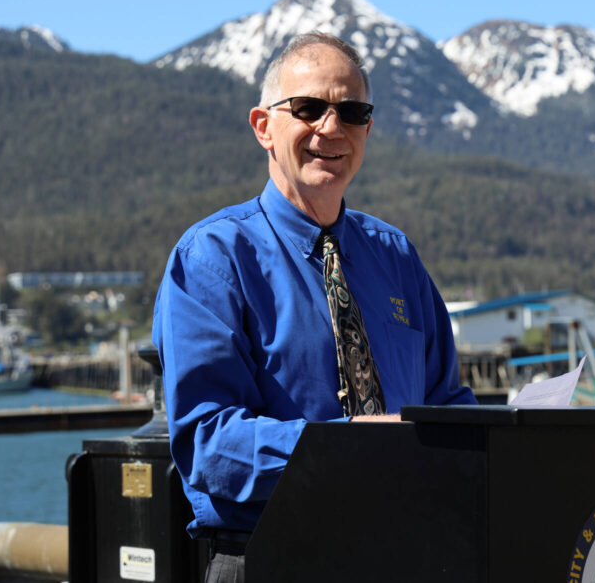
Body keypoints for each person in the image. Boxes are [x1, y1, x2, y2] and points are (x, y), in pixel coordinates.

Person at [153, 32, 476, 581]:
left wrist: (513, 436)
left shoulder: (397, 258)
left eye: (351, 111)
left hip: (407, 556)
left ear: (367, 129)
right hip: (270, 557)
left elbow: (448, 402)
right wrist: (349, 448)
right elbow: (208, 445)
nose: (332, 128)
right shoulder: (213, 258)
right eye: (308, 108)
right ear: (264, 127)